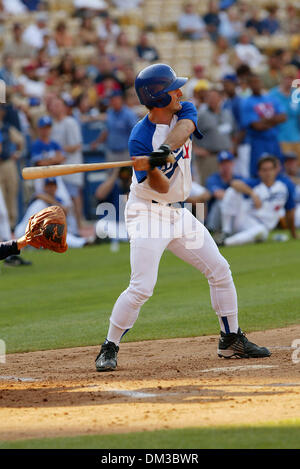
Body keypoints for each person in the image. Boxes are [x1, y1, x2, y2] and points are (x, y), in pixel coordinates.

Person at [95, 63, 271, 372]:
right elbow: (158, 186)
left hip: (178, 212)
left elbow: (188, 126)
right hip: (147, 212)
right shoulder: (139, 139)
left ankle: (231, 340)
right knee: (142, 287)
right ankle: (109, 346)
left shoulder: (183, 111)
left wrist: (163, 151)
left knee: (219, 268)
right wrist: (150, 166)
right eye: (173, 88)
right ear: (159, 97)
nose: (180, 92)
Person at [218, 155, 297, 246]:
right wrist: (252, 194)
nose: (268, 173)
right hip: (245, 220)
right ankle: (226, 231)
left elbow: (290, 210)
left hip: (264, 226)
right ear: (259, 172)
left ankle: (225, 242)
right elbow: (234, 183)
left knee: (261, 231)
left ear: (276, 170)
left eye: (270, 169)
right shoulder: (255, 183)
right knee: (231, 191)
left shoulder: (284, 186)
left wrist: (293, 234)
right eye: (264, 170)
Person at [240, 73, 286, 177]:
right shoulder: (247, 102)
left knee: (278, 170)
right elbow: (257, 126)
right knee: (259, 172)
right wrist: (274, 121)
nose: (256, 84)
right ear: (249, 85)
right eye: (253, 82)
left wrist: (265, 120)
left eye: (258, 81)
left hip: (274, 141)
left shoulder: (271, 99)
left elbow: (283, 117)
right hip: (258, 142)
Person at [49, 97, 85, 230]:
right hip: (58, 167)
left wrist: (58, 152)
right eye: (53, 106)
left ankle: (79, 226)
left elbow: (76, 145)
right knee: (63, 198)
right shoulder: (52, 124)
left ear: (64, 107)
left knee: (74, 196)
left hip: (71, 165)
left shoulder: (70, 122)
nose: (55, 108)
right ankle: (69, 228)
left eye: (58, 105)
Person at [193, 87, 234, 185]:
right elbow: (189, 133)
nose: (212, 100)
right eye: (209, 97)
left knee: (226, 185)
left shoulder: (227, 114)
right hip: (209, 157)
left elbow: (233, 133)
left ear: (221, 98)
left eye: (215, 97)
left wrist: (232, 146)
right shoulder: (201, 115)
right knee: (208, 185)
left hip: (226, 157)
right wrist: (196, 149)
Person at [91, 90, 138, 162]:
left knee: (126, 173)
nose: (114, 101)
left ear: (121, 100)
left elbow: (135, 133)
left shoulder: (129, 114)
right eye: (112, 99)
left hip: (125, 152)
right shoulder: (109, 112)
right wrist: (97, 142)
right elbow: (106, 131)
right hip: (111, 152)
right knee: (111, 173)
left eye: (116, 99)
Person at [205, 150, 241, 232]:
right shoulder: (213, 179)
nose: (226, 166)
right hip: (215, 220)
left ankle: (233, 229)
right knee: (221, 202)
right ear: (219, 165)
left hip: (234, 216)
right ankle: (221, 230)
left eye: (228, 163)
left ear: (232, 163)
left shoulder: (238, 178)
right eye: (223, 163)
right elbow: (219, 195)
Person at [269, 65, 300, 157]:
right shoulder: (273, 94)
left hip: (296, 137)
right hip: (279, 137)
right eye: (287, 78)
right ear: (282, 78)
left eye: (292, 78)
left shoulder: (297, 94)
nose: (290, 81)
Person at [283, 152, 300, 228]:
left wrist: (292, 180)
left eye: (292, 161)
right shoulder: (281, 174)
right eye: (288, 162)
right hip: (285, 205)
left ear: (297, 162)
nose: (291, 164)